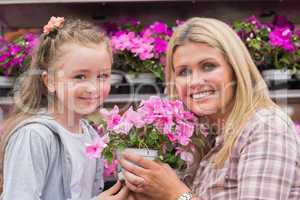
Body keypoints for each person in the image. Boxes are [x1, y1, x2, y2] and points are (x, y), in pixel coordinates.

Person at [120, 17, 300, 200]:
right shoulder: (206, 136)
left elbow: (178, 195)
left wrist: (174, 193)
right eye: (184, 72)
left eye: (208, 66)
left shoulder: (266, 127)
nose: (195, 81)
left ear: (235, 69)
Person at [0, 16, 129, 200]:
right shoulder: (34, 136)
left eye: (103, 76)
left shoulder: (89, 133)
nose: (93, 87)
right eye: (80, 77)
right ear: (50, 81)